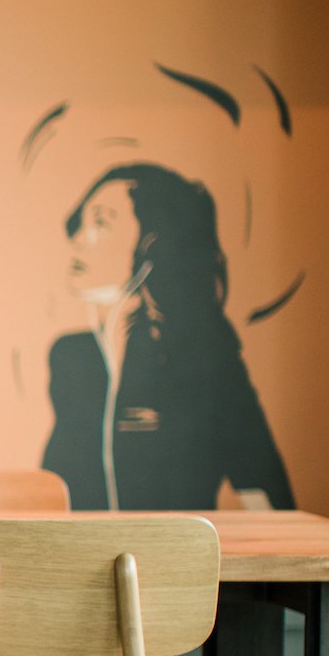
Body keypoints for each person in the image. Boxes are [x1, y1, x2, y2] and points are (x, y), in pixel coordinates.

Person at [40, 162, 293, 510]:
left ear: (152, 246)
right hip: (78, 546)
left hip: (170, 547)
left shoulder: (204, 359)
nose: (79, 240)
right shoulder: (71, 357)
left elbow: (264, 491)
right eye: (82, 222)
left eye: (101, 223)